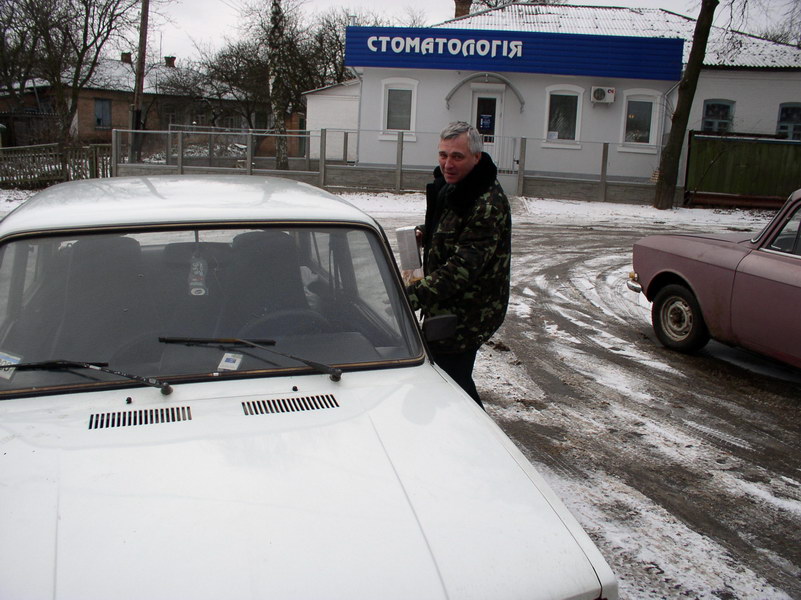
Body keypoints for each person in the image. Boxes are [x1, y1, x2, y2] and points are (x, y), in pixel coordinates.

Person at [405, 121, 511, 408]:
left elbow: (460, 270)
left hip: (469, 312)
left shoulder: (486, 204)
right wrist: (426, 232)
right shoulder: (457, 186)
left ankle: (478, 432)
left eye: (457, 156)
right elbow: (453, 228)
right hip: (447, 304)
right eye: (443, 155)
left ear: (476, 157)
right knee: (449, 379)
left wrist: (407, 298)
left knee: (451, 382)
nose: (447, 164)